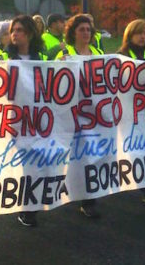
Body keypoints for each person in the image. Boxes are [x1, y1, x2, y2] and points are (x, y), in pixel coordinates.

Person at [0, 15, 48, 227]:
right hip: (11, 121)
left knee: (33, 164)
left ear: (31, 34)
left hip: (36, 120)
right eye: (13, 30)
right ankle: (22, 203)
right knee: (18, 164)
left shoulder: (42, 59)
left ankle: (29, 207)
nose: (15, 34)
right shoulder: (1, 58)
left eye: (20, 30)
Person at [54, 14, 103, 218]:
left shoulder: (99, 53)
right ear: (73, 32)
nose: (86, 33)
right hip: (70, 114)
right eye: (81, 29)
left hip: (93, 114)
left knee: (90, 157)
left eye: (88, 30)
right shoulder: (64, 54)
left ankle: (88, 200)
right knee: (70, 156)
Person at [117, 19, 145, 205]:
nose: (143, 37)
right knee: (134, 150)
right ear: (130, 34)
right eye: (139, 33)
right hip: (127, 112)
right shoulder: (121, 56)